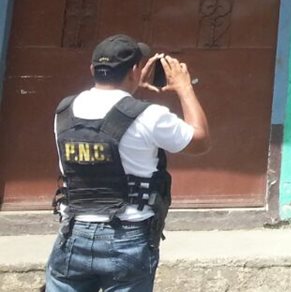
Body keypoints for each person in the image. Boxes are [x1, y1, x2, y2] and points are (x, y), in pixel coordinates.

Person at [44, 34, 210, 292]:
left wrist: (131, 92)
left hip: (72, 234)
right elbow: (199, 140)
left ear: (92, 70)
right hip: (127, 238)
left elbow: (112, 120)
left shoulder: (63, 111)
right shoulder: (150, 116)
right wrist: (184, 88)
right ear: (135, 70)